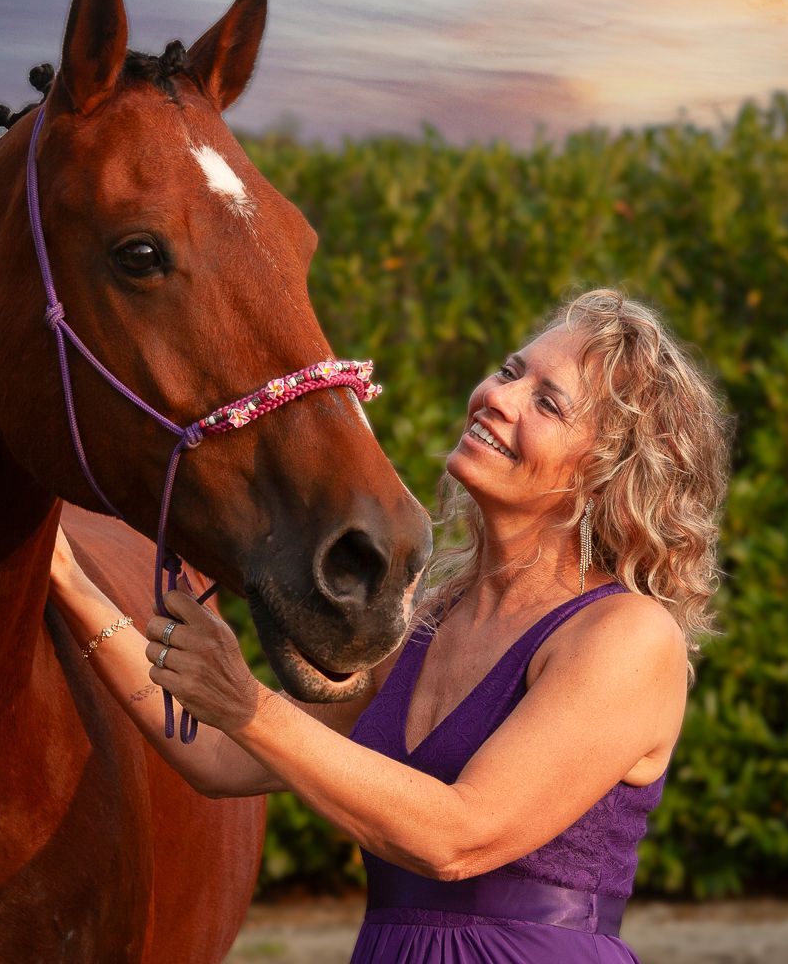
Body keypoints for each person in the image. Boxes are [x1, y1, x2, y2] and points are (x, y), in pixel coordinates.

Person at [49, 288, 732, 962]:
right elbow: (217, 758)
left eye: (547, 403)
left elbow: (457, 837)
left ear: (612, 476)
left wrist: (246, 702)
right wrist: (67, 578)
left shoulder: (626, 635)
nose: (499, 397)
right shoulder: (424, 624)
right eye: (510, 371)